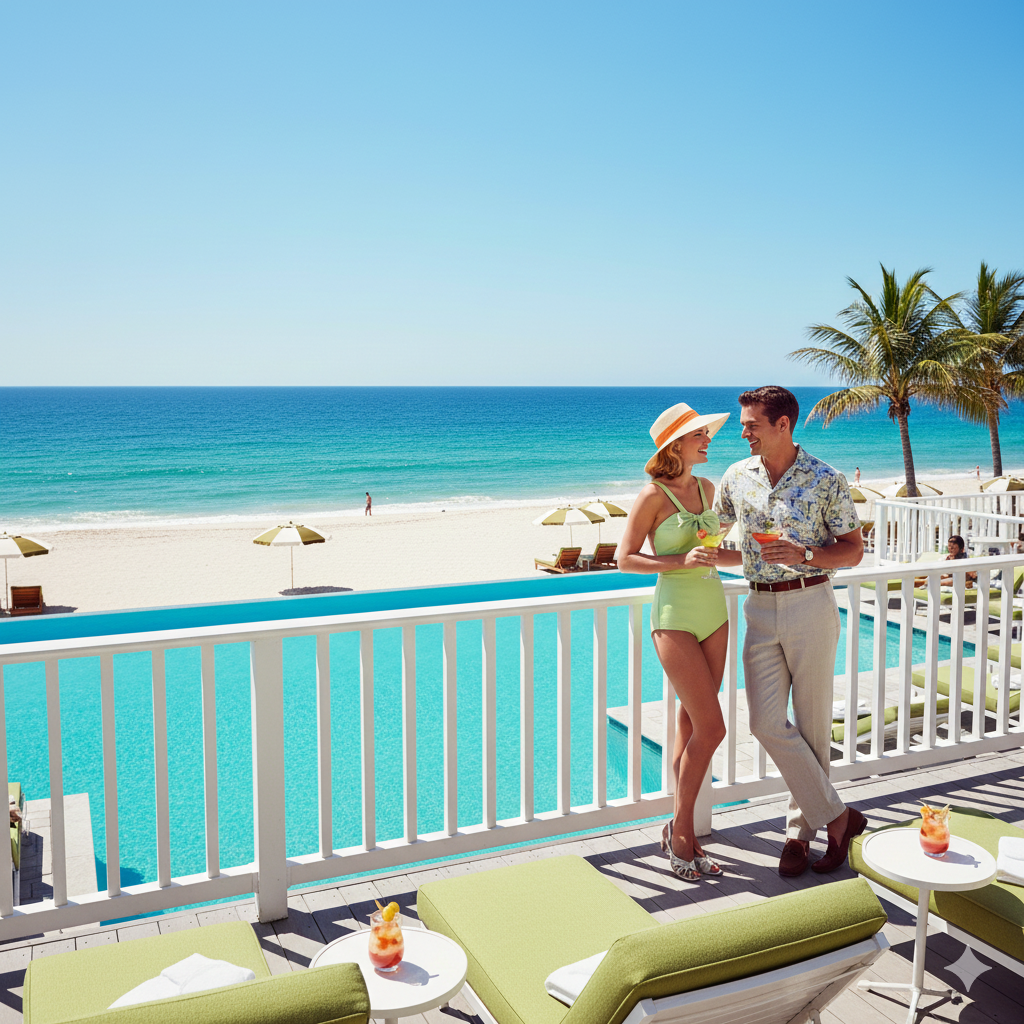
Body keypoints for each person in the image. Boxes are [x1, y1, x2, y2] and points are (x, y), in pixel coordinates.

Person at [714, 386, 866, 877]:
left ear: (783, 424)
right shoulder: (736, 476)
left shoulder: (826, 478)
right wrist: (691, 549)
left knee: (813, 725)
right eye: (743, 424)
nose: (744, 433)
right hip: (759, 606)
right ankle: (839, 818)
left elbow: (853, 550)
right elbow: (716, 536)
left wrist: (805, 554)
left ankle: (800, 834)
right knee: (764, 722)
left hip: (810, 602)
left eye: (752, 425)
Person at [617, 402, 731, 880]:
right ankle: (682, 834)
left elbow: (713, 552)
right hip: (674, 616)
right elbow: (625, 559)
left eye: (706, 433)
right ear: (676, 444)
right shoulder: (652, 495)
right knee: (714, 728)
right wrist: (679, 562)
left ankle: (677, 829)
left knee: (692, 727)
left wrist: (757, 553)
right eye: (699, 435)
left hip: (714, 611)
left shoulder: (708, 488)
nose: (708, 440)